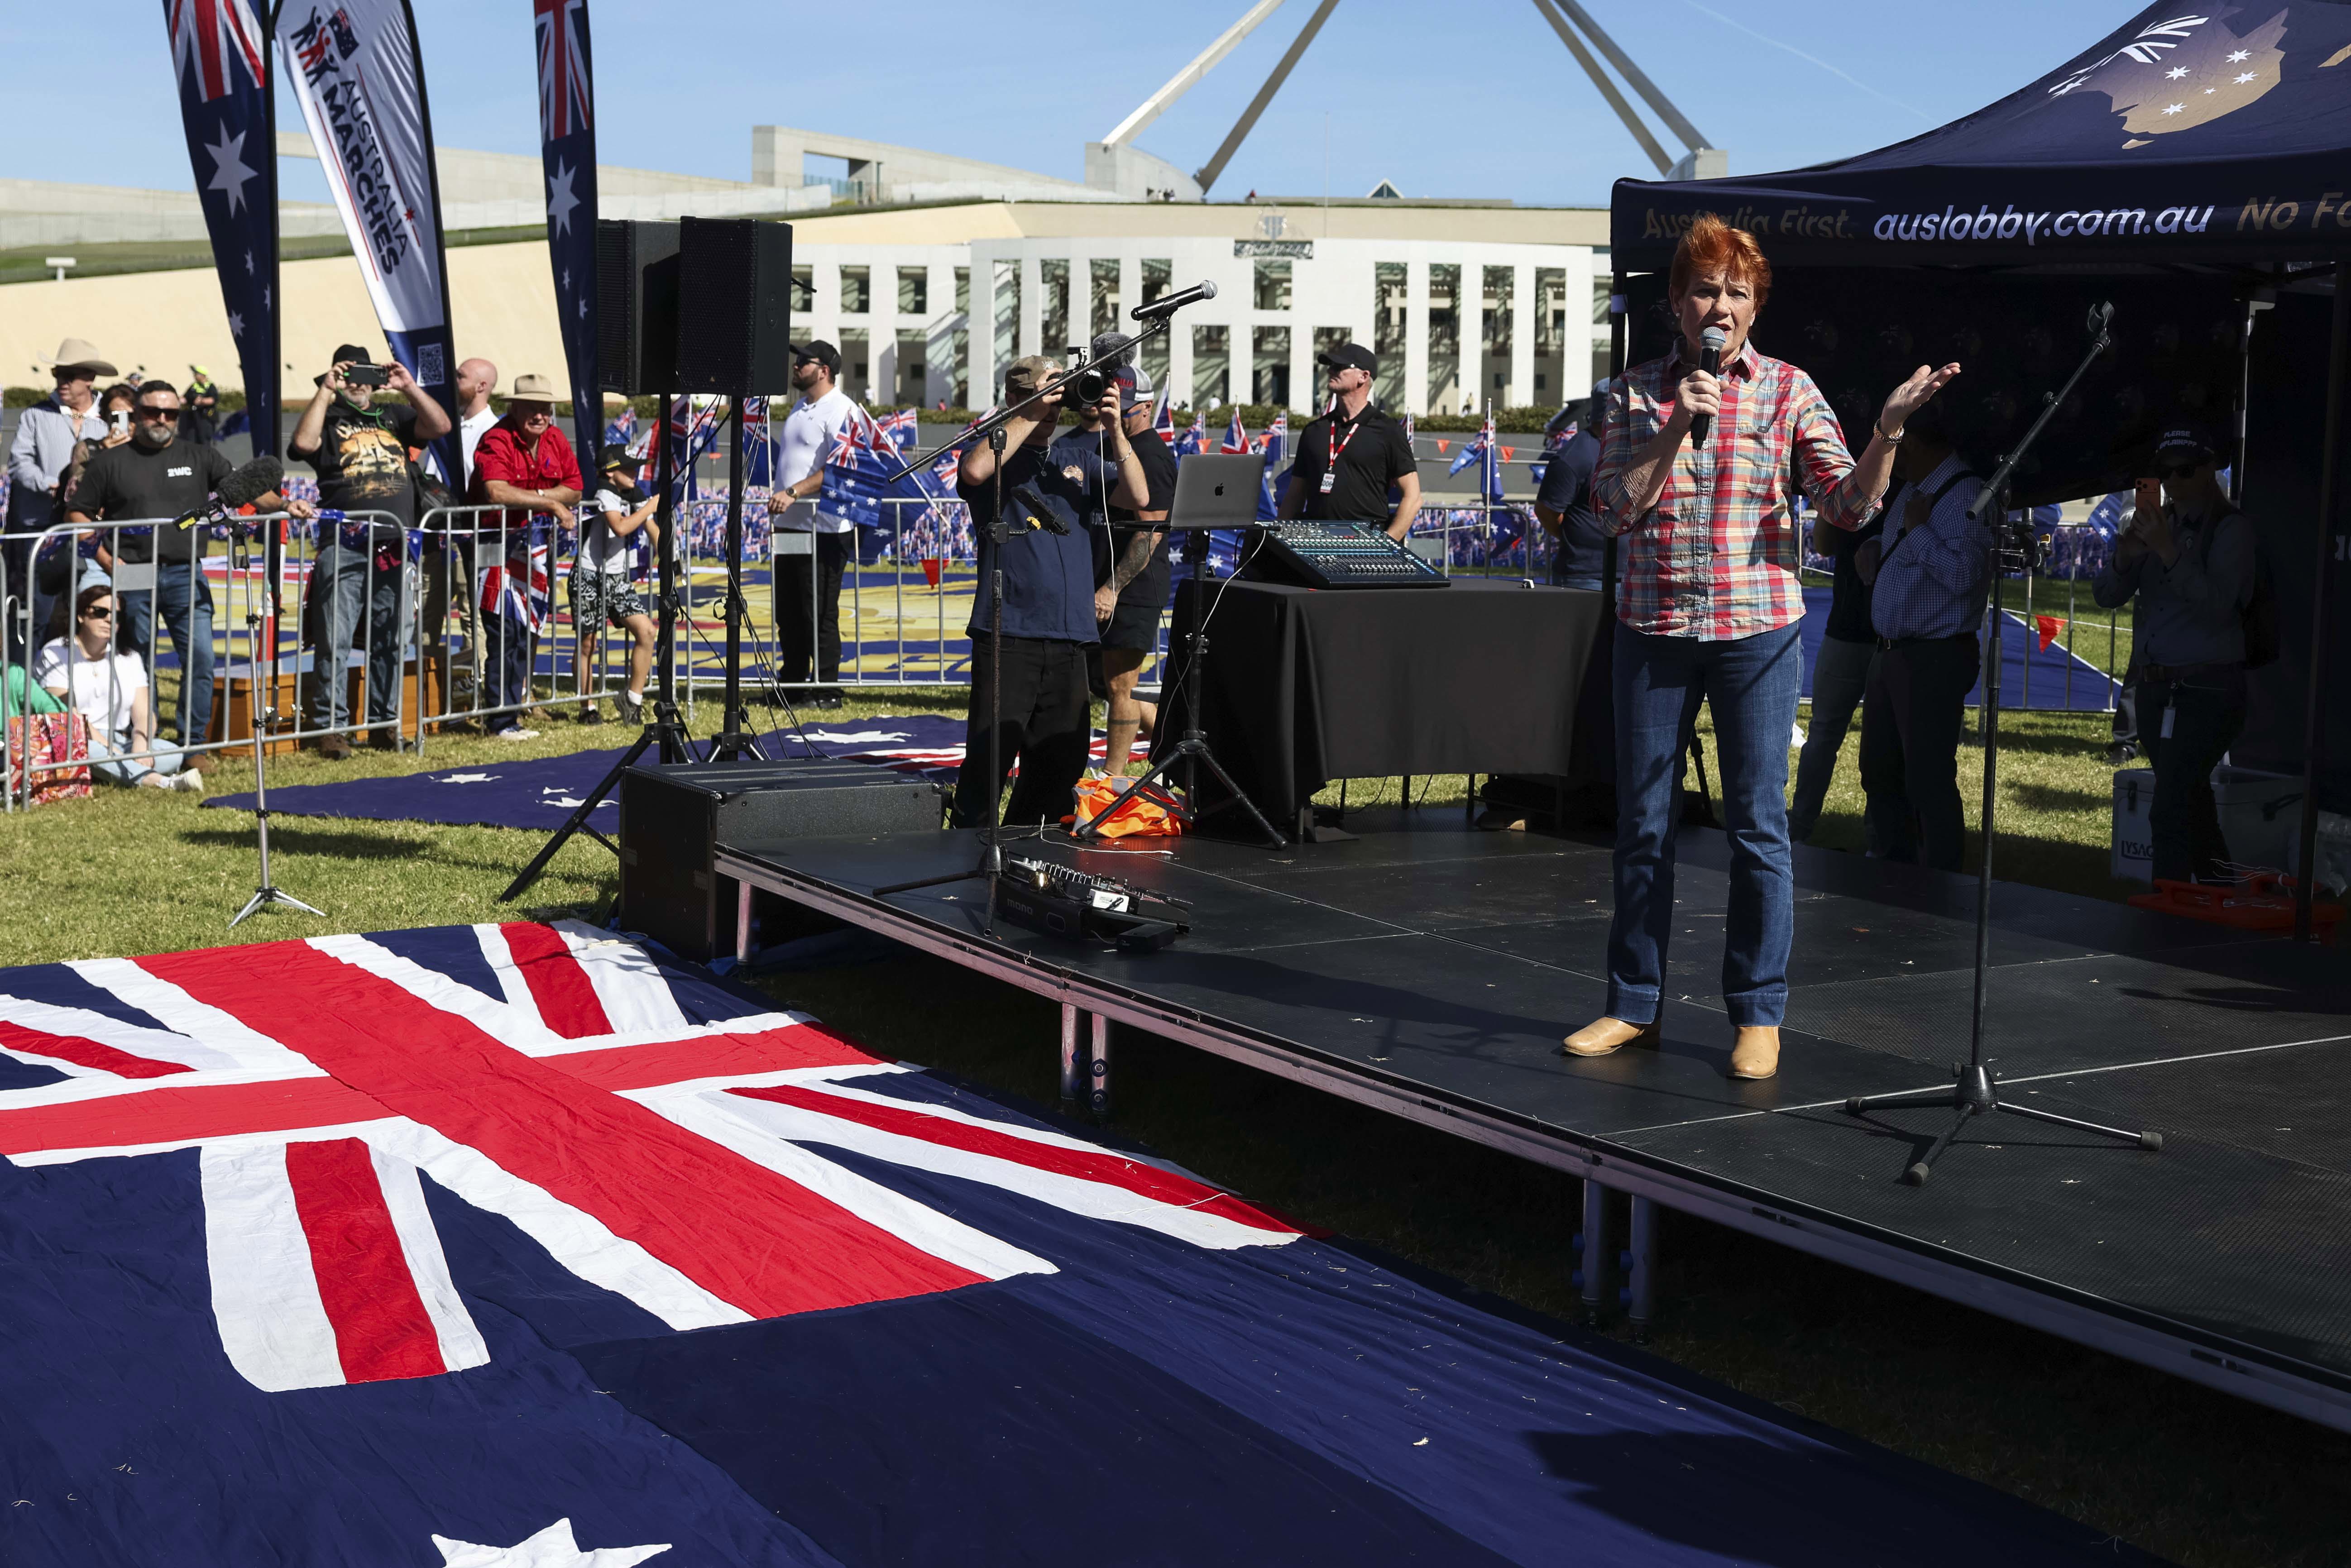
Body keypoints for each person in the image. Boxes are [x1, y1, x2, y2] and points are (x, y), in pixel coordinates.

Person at [1565, 213, 1957, 1082]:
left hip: (1755, 631)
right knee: (1641, 824)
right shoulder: (1633, 393)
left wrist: (1885, 433)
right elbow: (1612, 509)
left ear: (1754, 309)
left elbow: (1847, 509)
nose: (1721, 304)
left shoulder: (1787, 389)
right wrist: (1674, 426)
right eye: (1705, 288)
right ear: (1676, 302)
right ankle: (1633, 1001)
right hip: (1654, 626)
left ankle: (1757, 1011)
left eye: (1737, 292)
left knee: (1757, 825)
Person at [67, 381, 309, 765]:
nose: (161, 419)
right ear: (137, 414)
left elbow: (239, 490)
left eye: (170, 413)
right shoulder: (109, 463)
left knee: (199, 658)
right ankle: (142, 741)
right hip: (132, 574)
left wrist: (284, 503)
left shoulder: (200, 455)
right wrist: (108, 562)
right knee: (137, 663)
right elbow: (77, 513)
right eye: (152, 412)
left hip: (186, 572)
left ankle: (192, 745)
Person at [952, 356, 1144, 828]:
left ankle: (1027, 849)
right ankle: (964, 850)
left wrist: (1116, 430)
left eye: (1063, 395)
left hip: (1069, 635)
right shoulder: (998, 451)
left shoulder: (1076, 457)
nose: (1059, 406)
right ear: (1016, 397)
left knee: (1061, 761)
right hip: (1009, 630)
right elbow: (973, 473)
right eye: (1047, 392)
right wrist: (1033, 410)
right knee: (990, 758)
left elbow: (1139, 498)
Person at [2092, 421, 2256, 883]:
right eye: (2164, 473)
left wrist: (2169, 553)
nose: (2172, 482)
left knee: (2169, 808)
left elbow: (2220, 606)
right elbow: (2106, 595)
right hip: (2156, 687)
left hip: (2206, 688)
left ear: (2209, 472)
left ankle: (2167, 921)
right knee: (2191, 801)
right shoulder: (2156, 524)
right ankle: (2220, 892)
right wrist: (2126, 557)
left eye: (2184, 471)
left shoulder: (2231, 529)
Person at [289, 344, 452, 758]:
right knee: (334, 638)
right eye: (350, 375)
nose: (359, 383)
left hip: (396, 545)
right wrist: (327, 391)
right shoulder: (327, 416)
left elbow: (441, 426)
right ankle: (330, 726)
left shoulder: (393, 416)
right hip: (344, 544)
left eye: (367, 375)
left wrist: (408, 387)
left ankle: (385, 722)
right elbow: (303, 446)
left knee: (393, 639)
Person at [1855, 401, 1987, 872]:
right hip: (1891, 654)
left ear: (1910, 442)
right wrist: (1875, 548)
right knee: (1879, 770)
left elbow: (1965, 575)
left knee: (1928, 778)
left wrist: (1918, 532)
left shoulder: (1966, 494)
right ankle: (1893, 871)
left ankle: (1941, 882)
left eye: (1894, 444)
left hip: (1932, 655)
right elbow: (1906, 550)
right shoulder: (1915, 488)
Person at [471, 373, 583, 740]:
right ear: (514, 408)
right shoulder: (497, 439)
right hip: (495, 549)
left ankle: (513, 711)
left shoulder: (555, 438)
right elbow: (496, 492)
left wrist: (535, 495)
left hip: (535, 551)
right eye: (532, 408)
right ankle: (500, 718)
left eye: (545, 408)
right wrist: (550, 500)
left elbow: (577, 488)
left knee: (525, 631)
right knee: (503, 631)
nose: (540, 415)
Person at [1787, 469, 1890, 846]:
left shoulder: (1910, 483)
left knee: (1877, 746)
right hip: (1850, 628)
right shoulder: (1853, 480)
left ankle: (1879, 839)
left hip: (1889, 634)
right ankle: (1799, 828)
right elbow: (1825, 545)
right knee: (1826, 736)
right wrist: (1827, 502)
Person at [1090, 354, 1178, 775]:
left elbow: (1151, 533)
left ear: (1145, 408)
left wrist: (1112, 587)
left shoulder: (1152, 456)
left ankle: (1114, 778)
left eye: (1123, 413)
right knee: (1104, 685)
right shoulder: (1110, 443)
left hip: (1133, 588)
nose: (1115, 420)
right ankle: (1174, 748)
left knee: (1120, 687)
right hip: (1105, 582)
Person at [765, 340, 864, 707]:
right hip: (791, 527)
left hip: (823, 528)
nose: (795, 367)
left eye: (802, 362)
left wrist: (793, 491)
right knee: (789, 610)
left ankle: (827, 690)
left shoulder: (841, 409)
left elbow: (842, 466)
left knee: (818, 610)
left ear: (823, 370)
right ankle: (792, 685)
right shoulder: (801, 406)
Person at [35, 585, 205, 793]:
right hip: (75, 737)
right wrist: (110, 749)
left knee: (172, 753)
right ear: (80, 615)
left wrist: (140, 746)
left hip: (120, 739)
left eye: (116, 615)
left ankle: (112, 770)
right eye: (100, 612)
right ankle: (164, 782)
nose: (109, 619)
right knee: (88, 750)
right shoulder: (56, 653)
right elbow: (68, 714)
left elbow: (144, 713)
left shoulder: (129, 658)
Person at [7, 339, 119, 657]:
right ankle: (25, 680)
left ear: (90, 379)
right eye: (59, 374)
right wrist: (52, 485)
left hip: (91, 530)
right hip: (43, 528)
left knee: (88, 607)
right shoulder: (35, 415)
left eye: (70, 375)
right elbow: (19, 463)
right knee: (37, 610)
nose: (62, 382)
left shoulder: (109, 421)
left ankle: (77, 682)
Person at [1278, 344, 1422, 541]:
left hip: (1366, 544)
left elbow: (1413, 497)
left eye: (1339, 367)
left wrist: (1386, 545)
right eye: (1330, 366)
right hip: (1315, 543)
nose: (1330, 371)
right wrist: (1279, 539)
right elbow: (1295, 495)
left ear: (1363, 377)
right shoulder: (1314, 431)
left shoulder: (1388, 431)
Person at [575, 451, 660, 726]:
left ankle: (632, 701)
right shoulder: (604, 493)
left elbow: (652, 528)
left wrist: (671, 554)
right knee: (588, 642)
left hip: (617, 578)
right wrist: (648, 509)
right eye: (629, 469)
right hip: (589, 574)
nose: (636, 474)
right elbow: (621, 527)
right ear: (611, 472)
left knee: (647, 631)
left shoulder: (634, 495)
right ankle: (586, 707)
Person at [1532, 390, 1606, 592]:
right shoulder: (1575, 456)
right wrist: (1576, 536)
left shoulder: (1633, 446)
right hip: (1585, 577)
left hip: (1631, 574)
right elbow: (1546, 512)